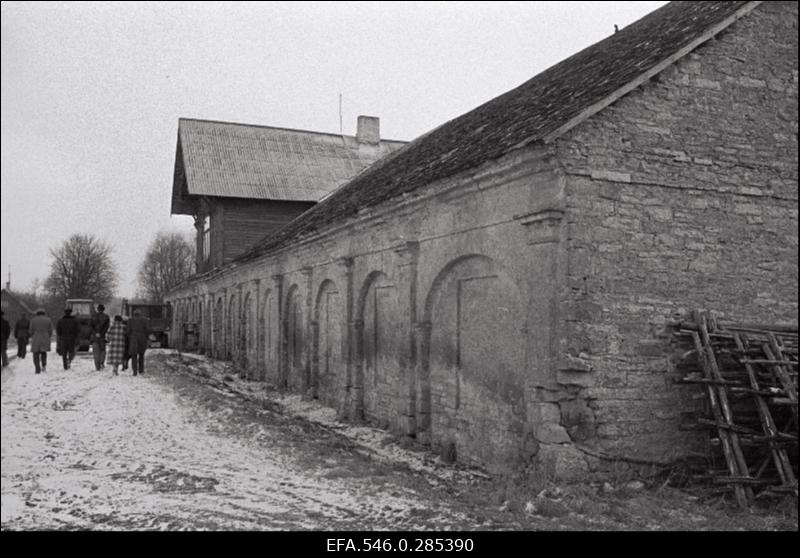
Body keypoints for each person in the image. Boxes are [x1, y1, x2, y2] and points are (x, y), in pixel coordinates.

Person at [28, 308, 53, 374]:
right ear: (44, 313)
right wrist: (48, 336)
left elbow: (30, 331)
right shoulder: (48, 320)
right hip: (45, 337)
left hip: (36, 337)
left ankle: (37, 368)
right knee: (43, 352)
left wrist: (32, 335)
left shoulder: (33, 320)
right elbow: (50, 331)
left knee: (35, 353)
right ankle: (44, 365)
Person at [126, 310, 149, 376]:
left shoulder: (130, 320)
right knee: (141, 355)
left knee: (134, 355)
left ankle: (134, 371)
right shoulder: (145, 320)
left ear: (134, 314)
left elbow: (127, 331)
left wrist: (130, 336)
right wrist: (146, 337)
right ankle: (141, 370)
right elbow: (147, 329)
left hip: (133, 338)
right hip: (142, 338)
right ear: (140, 314)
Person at [91, 303, 110, 371]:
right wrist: (101, 333)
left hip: (95, 338)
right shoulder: (106, 317)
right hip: (102, 337)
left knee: (96, 353)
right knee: (102, 351)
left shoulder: (93, 316)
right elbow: (107, 327)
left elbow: (91, 327)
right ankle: (102, 362)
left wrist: (95, 333)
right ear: (103, 309)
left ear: (97, 309)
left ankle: (97, 367)